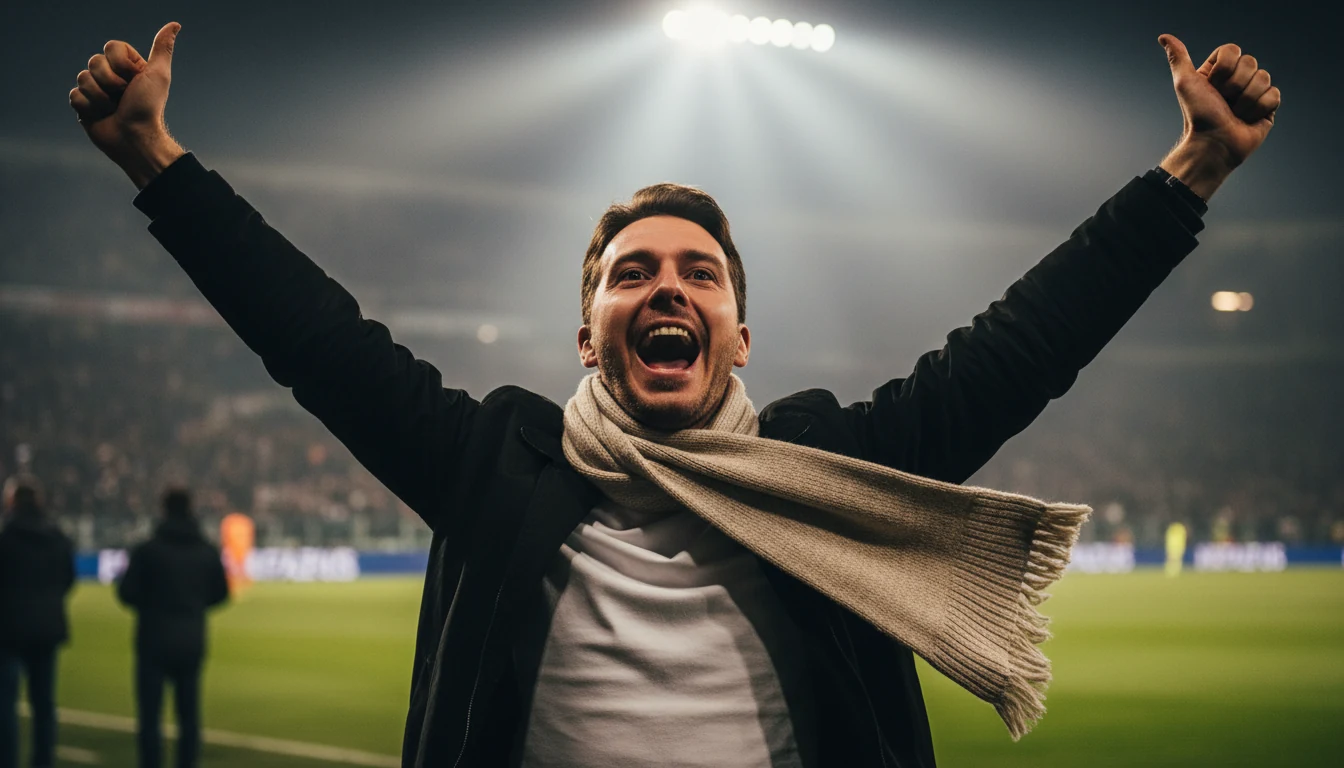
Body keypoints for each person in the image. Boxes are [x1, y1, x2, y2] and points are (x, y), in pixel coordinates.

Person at [69, 22, 1279, 767]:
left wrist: (1193, 172)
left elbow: (1019, 348)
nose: (666, 287)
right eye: (630, 273)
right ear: (588, 335)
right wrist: (156, 164)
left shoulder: (826, 472)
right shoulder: (495, 462)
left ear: (737, 335)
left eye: (698, 272)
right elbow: (318, 340)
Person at [116, 488, 229, 768]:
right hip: (191, 639)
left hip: (153, 640)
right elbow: (221, 593)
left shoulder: (147, 550)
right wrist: (194, 606)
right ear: (191, 508)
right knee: (189, 715)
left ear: (163, 509)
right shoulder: (206, 550)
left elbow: (127, 593)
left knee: (150, 717)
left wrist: (151, 605)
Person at [0, 478, 75, 768]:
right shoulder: (57, 538)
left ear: (13, 502)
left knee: (6, 705)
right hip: (47, 628)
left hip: (9, 631)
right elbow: (67, 579)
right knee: (44, 704)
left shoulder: (6, 538)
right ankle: (43, 761)